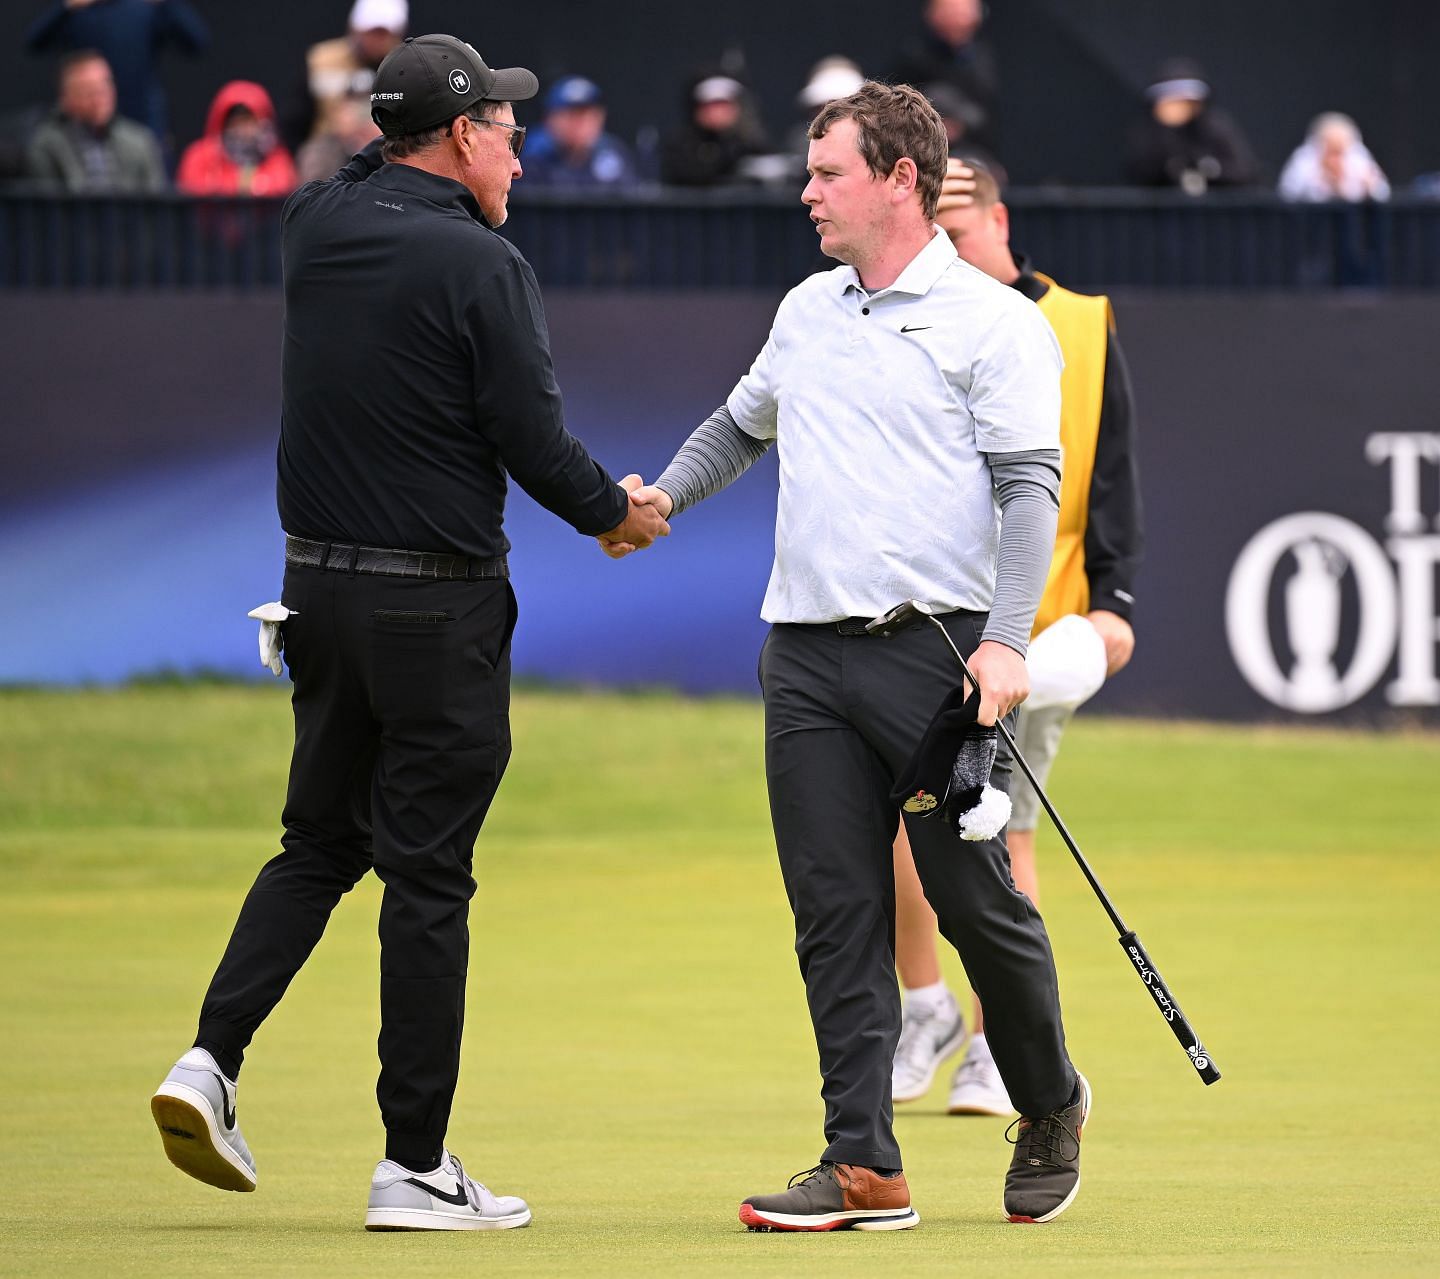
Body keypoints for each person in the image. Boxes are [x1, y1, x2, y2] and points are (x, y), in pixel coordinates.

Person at [146, 33, 667, 1233]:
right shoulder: (486, 267)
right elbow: (533, 443)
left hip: (314, 594)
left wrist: (363, 87)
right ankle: (415, 1165)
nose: (521, 155)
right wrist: (617, 514)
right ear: (459, 136)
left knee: (319, 842)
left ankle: (208, 1061)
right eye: (506, 131)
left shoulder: (315, 224)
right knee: (427, 878)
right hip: (435, 607)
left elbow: (345, 156)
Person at [633, 80, 1089, 1232]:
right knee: (834, 911)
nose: (806, 192)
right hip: (804, 658)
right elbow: (743, 423)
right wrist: (666, 497)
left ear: (899, 180)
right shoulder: (808, 310)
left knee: (973, 901)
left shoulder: (997, 323)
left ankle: (1047, 1098)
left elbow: (1030, 490)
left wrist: (1005, 641)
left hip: (935, 665)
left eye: (827, 172)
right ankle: (864, 1166)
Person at [889, 159, 1141, 1118]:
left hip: (1033, 629)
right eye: (932, 228)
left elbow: (1109, 463)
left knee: (997, 827)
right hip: (925, 626)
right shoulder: (913, 314)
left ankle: (998, 1045)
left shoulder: (1077, 318)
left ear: (999, 219)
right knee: (904, 824)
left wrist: (1115, 597)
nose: (947, 245)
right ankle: (926, 1010)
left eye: (960, 224)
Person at [25, 0, 208, 144]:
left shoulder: (143, 9)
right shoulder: (81, 11)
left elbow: (197, 43)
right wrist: (65, 7)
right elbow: (35, 42)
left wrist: (167, 3)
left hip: (141, 119)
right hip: (85, 127)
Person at [25, 48, 165, 191]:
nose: (100, 98)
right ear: (65, 99)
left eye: (105, 86)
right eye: (89, 91)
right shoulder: (47, 145)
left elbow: (155, 206)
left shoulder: (140, 143)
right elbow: (46, 207)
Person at [1125, 58, 1259, 192]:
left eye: (1186, 101)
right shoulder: (1149, 134)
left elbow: (1245, 172)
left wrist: (1207, 168)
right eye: (1171, 101)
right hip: (1162, 210)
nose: (1178, 107)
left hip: (1214, 209)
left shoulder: (1215, 128)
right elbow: (1139, 174)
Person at [891, 0, 998, 153]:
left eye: (965, 13)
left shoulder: (981, 61)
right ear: (933, 14)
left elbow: (987, 116)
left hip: (971, 150)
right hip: (920, 146)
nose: (961, 20)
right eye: (953, 12)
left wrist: (962, 127)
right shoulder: (914, 56)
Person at [296, 0, 407, 145]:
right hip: (330, 153)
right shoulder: (322, 62)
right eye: (371, 32)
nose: (375, 40)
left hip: (387, 150)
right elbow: (296, 119)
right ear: (355, 29)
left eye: (383, 34)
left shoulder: (406, 67)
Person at [175, 80, 297, 196]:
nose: (241, 129)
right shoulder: (199, 156)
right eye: (234, 121)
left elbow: (281, 190)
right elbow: (193, 191)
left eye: (248, 121)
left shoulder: (278, 159)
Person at [519, 76, 641, 190]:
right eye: (572, 115)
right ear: (550, 119)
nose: (582, 124)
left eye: (589, 115)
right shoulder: (531, 157)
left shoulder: (613, 154)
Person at [660, 67, 767, 186]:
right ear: (697, 109)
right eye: (712, 105)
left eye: (725, 104)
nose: (719, 111)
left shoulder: (749, 143)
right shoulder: (682, 146)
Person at [1278, 112, 1391, 202]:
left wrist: (1369, 186)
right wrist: (1320, 178)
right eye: (1332, 151)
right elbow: (1287, 193)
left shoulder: (1358, 157)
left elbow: (1383, 194)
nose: (1336, 158)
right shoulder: (1305, 159)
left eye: (1340, 151)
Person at [296, 95, 381, 186]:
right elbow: (313, 186)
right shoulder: (319, 150)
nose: (353, 118)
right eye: (346, 113)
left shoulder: (358, 144)